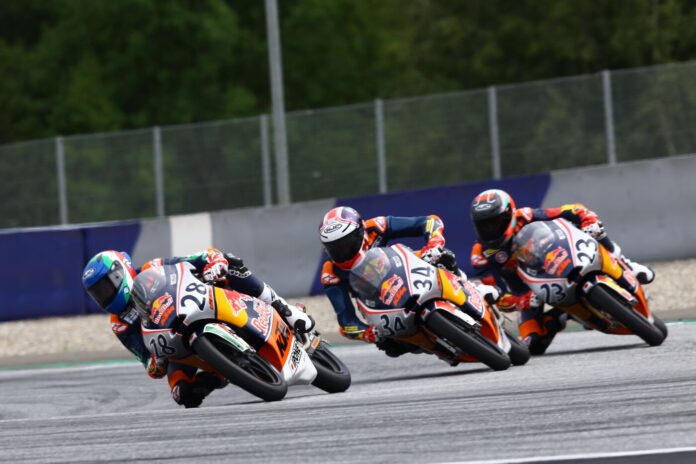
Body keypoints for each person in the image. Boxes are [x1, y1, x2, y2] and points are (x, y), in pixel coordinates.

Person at [81, 248, 314, 408]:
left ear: (120, 272)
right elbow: (146, 360)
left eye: (106, 287)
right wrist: (156, 363)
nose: (104, 295)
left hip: (201, 301)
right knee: (181, 394)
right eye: (98, 294)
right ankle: (221, 372)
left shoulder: (154, 267)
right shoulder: (119, 323)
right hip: (176, 343)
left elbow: (197, 259)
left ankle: (284, 309)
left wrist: (214, 263)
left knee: (231, 262)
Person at [469, 188, 654, 355]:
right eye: (484, 225)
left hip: (555, 261)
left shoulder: (525, 216)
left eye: (495, 222)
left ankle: (625, 263)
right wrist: (519, 301)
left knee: (596, 233)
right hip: (528, 293)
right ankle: (562, 316)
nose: (490, 229)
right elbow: (493, 294)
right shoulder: (480, 255)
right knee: (532, 345)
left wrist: (587, 220)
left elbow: (570, 211)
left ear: (510, 214)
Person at [318, 206, 498, 357]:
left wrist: (434, 243)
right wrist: (367, 333)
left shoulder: (376, 227)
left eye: (346, 243)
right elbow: (346, 322)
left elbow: (429, 221)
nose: (342, 251)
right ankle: (433, 345)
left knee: (444, 258)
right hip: (376, 302)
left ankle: (473, 289)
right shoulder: (330, 273)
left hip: (404, 269)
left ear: (360, 232)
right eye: (335, 248)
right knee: (391, 347)